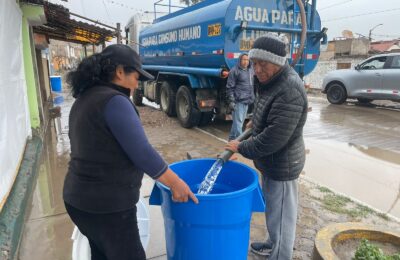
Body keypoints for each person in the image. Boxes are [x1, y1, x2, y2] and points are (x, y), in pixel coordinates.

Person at [63, 44, 198, 260]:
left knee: (102, 253)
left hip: (78, 201)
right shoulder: (115, 102)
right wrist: (176, 183)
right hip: (107, 207)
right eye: (136, 76)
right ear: (119, 72)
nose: (138, 83)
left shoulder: (85, 99)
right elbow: (143, 153)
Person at [225, 35, 308, 259]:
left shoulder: (289, 88)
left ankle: (281, 255)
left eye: (264, 64)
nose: (258, 70)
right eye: (255, 63)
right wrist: (254, 121)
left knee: (283, 216)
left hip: (283, 164)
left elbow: (273, 138)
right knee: (273, 209)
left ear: (278, 62)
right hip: (271, 162)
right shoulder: (269, 80)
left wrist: (240, 146)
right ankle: (273, 242)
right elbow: (265, 109)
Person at [226, 53, 254, 140]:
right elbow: (230, 87)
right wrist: (231, 101)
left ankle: (231, 140)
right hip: (238, 101)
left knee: (238, 123)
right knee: (238, 124)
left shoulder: (250, 70)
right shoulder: (234, 71)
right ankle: (240, 144)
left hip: (247, 100)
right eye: (244, 60)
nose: (246, 62)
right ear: (240, 60)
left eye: (247, 60)